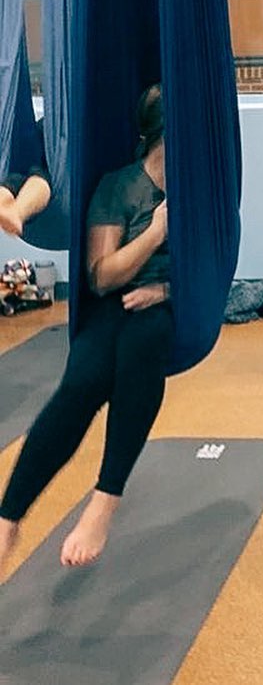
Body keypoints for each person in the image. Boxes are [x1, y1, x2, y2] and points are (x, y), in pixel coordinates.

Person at [0, 84, 173, 577]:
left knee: (145, 343)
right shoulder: (120, 187)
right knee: (83, 382)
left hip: (162, 307)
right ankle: (8, 516)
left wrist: (164, 293)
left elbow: (208, 268)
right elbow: (102, 275)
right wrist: (157, 233)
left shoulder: (201, 192)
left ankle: (104, 501)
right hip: (113, 303)